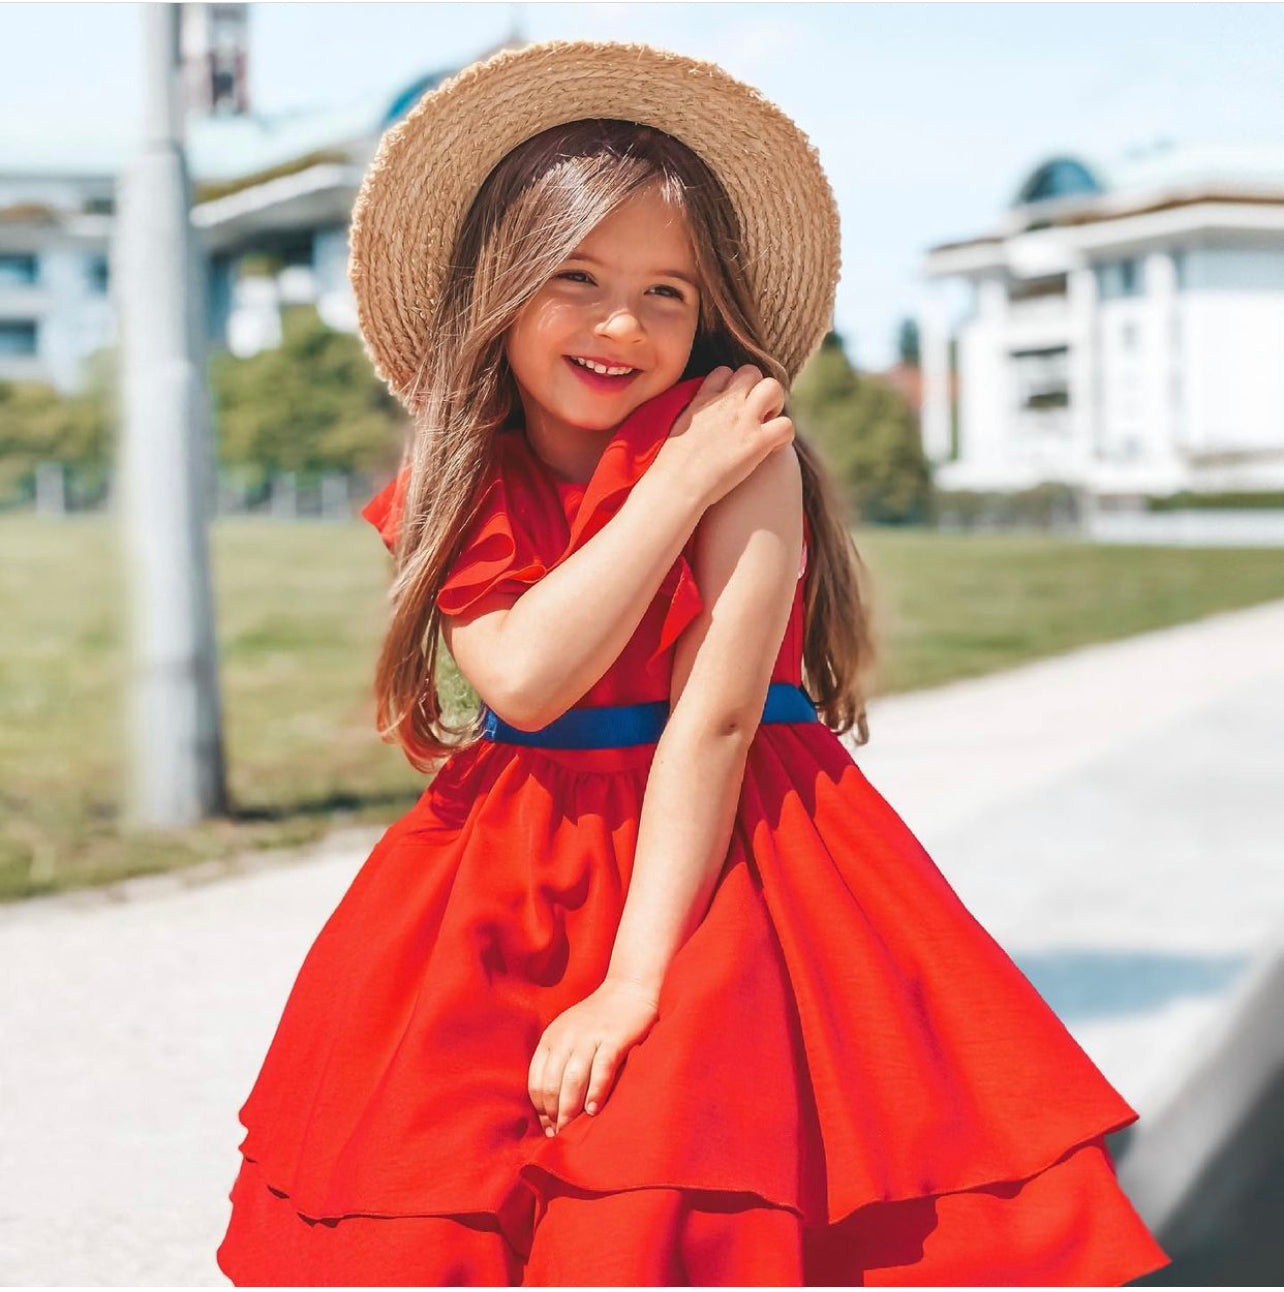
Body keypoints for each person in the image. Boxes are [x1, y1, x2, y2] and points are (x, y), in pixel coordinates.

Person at [215, 38, 1172, 1287]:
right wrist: (669, 489)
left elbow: (712, 726)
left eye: (670, 292)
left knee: (670, 1175)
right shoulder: (478, 468)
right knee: (451, 1173)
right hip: (515, 865)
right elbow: (525, 680)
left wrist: (631, 983)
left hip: (721, 862)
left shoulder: (744, 446)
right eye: (577, 276)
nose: (624, 323)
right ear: (500, 289)